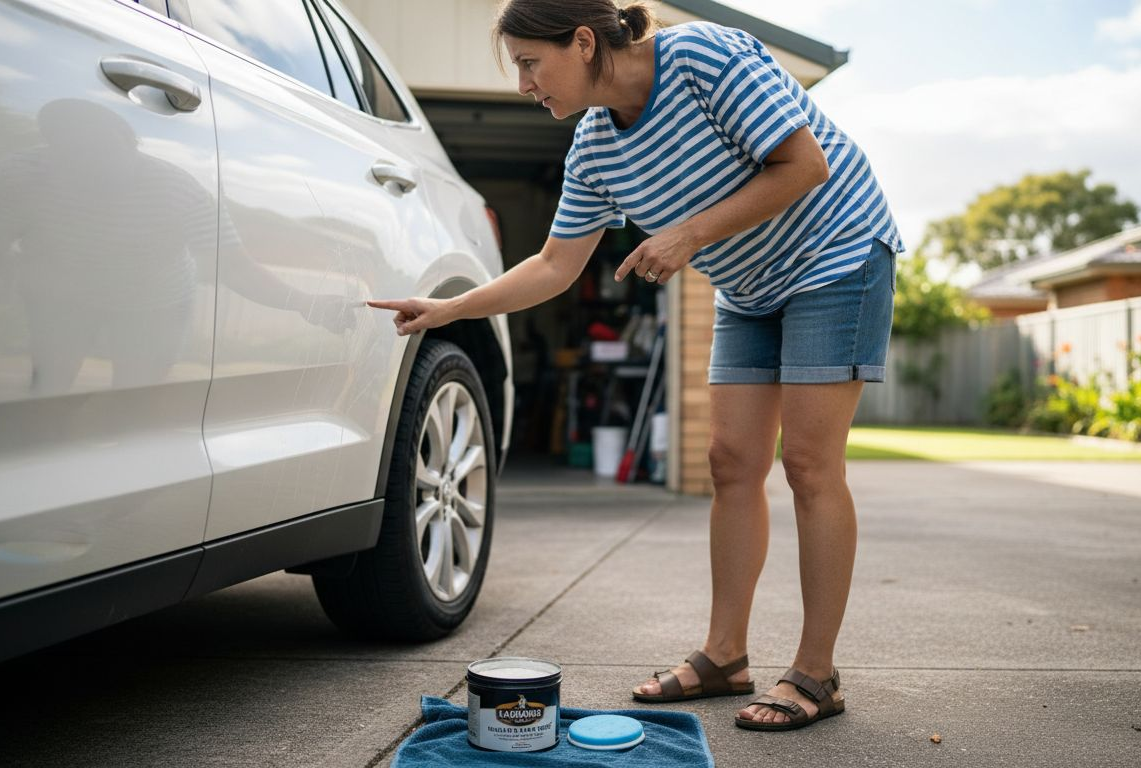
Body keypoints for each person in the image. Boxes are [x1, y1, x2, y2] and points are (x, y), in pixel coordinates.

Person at [368, 0, 902, 732]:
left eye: (530, 63)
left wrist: (687, 234)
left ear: (584, 42)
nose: (524, 84)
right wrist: (449, 309)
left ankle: (816, 673)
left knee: (809, 464)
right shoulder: (593, 146)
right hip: (749, 285)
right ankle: (725, 656)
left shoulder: (704, 57)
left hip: (837, 257)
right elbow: (556, 266)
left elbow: (804, 164)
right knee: (729, 462)